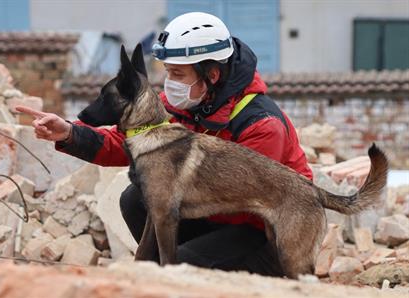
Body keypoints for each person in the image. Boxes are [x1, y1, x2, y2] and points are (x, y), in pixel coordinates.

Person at [17, 12, 312, 276]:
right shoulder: (184, 104)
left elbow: (243, 204)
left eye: (178, 74)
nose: (169, 82)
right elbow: (129, 142)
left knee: (180, 254)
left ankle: (214, 275)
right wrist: (69, 133)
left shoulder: (260, 125)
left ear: (212, 74)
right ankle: (169, 272)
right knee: (135, 199)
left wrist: (172, 191)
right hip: (214, 218)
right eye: (168, 71)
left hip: (264, 231)